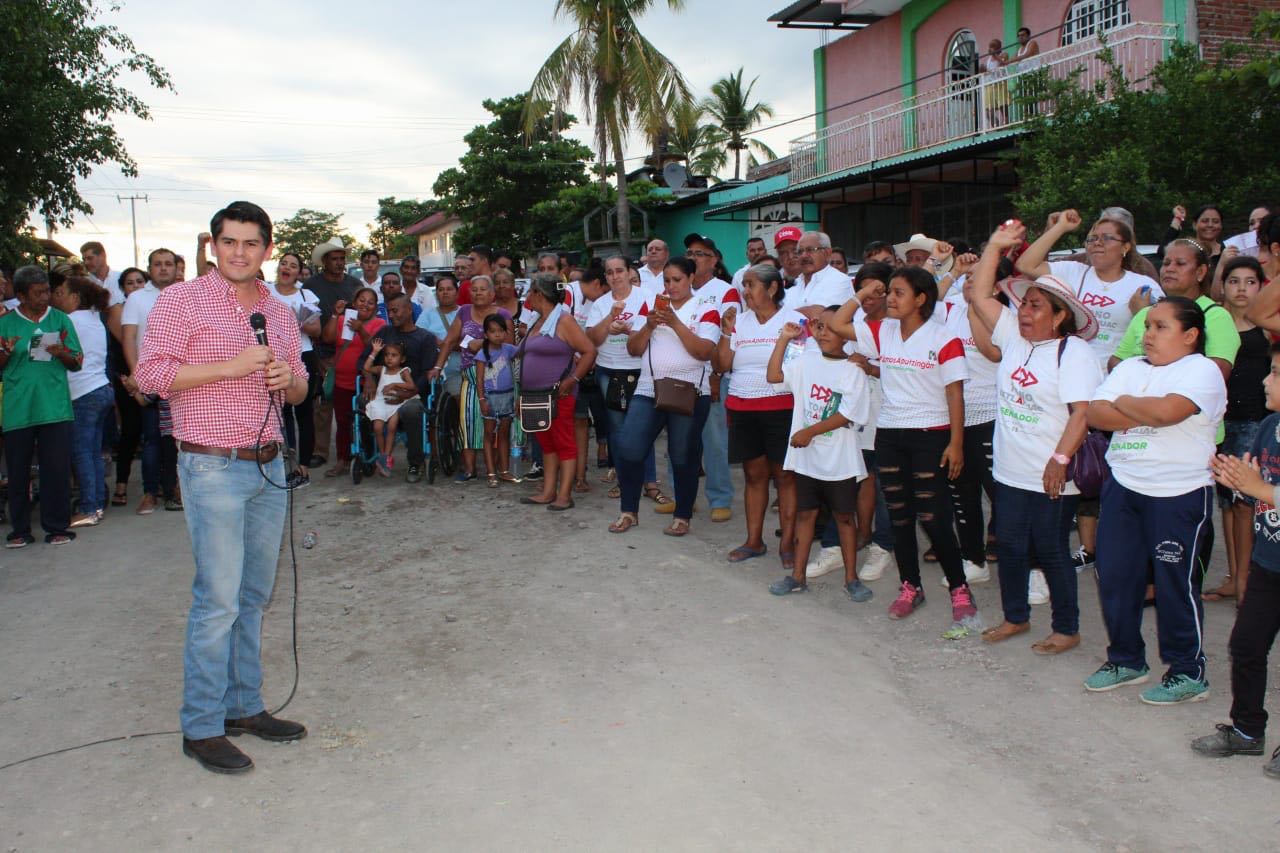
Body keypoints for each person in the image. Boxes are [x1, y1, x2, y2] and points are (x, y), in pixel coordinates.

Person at [135, 200, 309, 774]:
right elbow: (152, 376)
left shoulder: (280, 311)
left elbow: (303, 387)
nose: (240, 252)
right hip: (210, 467)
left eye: (251, 243)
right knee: (217, 602)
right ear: (213, 246)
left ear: (267, 249)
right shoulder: (181, 300)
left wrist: (289, 381)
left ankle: (244, 706)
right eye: (229, 242)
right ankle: (202, 726)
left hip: (268, 465)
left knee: (254, 597)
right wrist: (230, 367)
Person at [966, 223, 1103, 654]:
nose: (1024, 311)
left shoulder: (1075, 354)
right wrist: (993, 244)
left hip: (1052, 475)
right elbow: (979, 293)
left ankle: (1067, 627)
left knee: (1050, 550)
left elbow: (1082, 413)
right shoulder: (1011, 336)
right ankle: (1015, 617)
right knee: (1009, 545)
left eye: (1036, 306)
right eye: (1024, 303)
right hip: (1010, 470)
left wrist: (1059, 459)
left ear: (1061, 316)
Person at [1084, 297, 1226, 704]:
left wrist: (1126, 404)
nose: (1148, 335)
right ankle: (1126, 660)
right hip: (1125, 486)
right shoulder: (1130, 367)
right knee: (1114, 577)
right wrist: (1146, 411)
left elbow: (1168, 413)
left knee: (1174, 585)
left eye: (1160, 327)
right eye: (1147, 326)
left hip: (1178, 493)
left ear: (1191, 335)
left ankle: (1188, 671)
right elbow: (1095, 414)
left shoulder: (1203, 371)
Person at [1018, 208, 1166, 572]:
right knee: (1081, 469)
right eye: (1092, 238)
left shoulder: (1142, 287)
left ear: (1127, 246)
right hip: (1071, 386)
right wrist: (1060, 229)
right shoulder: (1073, 272)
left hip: (1118, 391)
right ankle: (1086, 547)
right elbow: (1027, 263)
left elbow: (1158, 337)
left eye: (1107, 238)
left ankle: (1120, 547)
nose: (1097, 244)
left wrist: (1139, 314)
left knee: (1112, 471)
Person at [840, 266, 978, 638]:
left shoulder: (944, 339)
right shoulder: (883, 330)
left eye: (899, 292)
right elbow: (837, 325)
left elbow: (955, 393)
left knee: (933, 517)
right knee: (899, 516)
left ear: (921, 299)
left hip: (930, 435)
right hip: (890, 434)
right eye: (890, 292)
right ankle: (910, 586)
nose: (890, 298)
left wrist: (956, 442)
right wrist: (863, 291)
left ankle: (960, 589)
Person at [1192, 357, 1280, 777]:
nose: (1265, 379)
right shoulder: (1268, 427)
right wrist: (1237, 482)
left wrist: (1257, 485)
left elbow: (1263, 487)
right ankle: (1247, 731)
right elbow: (1256, 494)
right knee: (1246, 645)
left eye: (1277, 373)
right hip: (1270, 562)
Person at [764, 309, 872, 601]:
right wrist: (784, 340)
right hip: (808, 460)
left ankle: (852, 578)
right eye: (819, 327)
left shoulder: (853, 369)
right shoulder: (806, 361)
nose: (823, 333)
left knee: (844, 518)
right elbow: (773, 375)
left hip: (839, 461)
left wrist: (809, 432)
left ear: (847, 333)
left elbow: (849, 413)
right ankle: (797, 576)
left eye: (831, 328)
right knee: (806, 515)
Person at [607, 257, 718, 536]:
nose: (671, 286)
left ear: (691, 278)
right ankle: (628, 511)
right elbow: (633, 349)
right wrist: (648, 326)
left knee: (682, 456)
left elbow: (704, 352)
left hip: (689, 390)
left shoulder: (706, 307)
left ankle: (682, 516)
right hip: (648, 387)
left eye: (677, 280)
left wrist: (675, 322)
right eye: (666, 280)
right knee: (629, 448)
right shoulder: (654, 306)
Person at [713, 263, 802, 567]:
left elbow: (803, 366)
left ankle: (788, 542)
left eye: (751, 285)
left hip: (782, 408)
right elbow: (723, 365)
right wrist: (726, 333)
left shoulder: (794, 321)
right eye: (744, 285)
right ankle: (754, 540)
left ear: (772, 288)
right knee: (754, 475)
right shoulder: (740, 322)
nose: (745, 291)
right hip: (742, 407)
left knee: (786, 477)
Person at [823, 263, 896, 582]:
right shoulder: (851, 328)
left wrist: (872, 369)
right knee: (846, 482)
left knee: (886, 489)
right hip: (856, 420)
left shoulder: (899, 327)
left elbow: (913, 374)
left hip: (892, 419)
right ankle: (834, 545)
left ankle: (883, 547)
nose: (869, 297)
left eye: (876, 289)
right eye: (863, 289)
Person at [0, 266, 83, 547]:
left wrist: (62, 353)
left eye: (47, 291)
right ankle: (20, 530)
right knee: (18, 471)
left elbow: (77, 362)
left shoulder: (60, 320)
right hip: (18, 407)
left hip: (54, 406)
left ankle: (57, 526)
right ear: (21, 295)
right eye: (37, 293)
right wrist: (5, 353)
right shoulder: (6, 323)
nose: (45, 297)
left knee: (56, 469)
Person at [1204, 256, 1269, 603]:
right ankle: (1232, 576)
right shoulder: (1214, 322)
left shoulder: (1267, 326)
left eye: (1250, 281)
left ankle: (1247, 583)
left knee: (1246, 505)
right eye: (1233, 281)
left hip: (1254, 422)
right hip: (1220, 420)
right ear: (1222, 286)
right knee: (1227, 504)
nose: (1241, 288)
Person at [586, 255, 665, 504]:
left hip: (642, 369)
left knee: (644, 427)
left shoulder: (646, 297)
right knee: (618, 430)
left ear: (629, 272)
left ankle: (650, 482)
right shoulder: (600, 304)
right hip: (609, 370)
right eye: (609, 272)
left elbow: (656, 332)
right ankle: (625, 480)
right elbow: (593, 339)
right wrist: (610, 319)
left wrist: (628, 330)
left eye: (619, 271)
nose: (615, 276)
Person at [516, 274, 596, 509]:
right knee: (546, 443)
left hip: (558, 393)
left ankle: (564, 495)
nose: (528, 298)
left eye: (530, 292)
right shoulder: (536, 322)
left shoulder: (563, 320)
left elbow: (589, 351)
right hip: (534, 395)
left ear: (539, 294)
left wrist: (572, 380)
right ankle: (549, 491)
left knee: (563, 442)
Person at [682, 234, 741, 522]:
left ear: (714, 260)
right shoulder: (677, 288)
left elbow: (727, 336)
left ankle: (719, 497)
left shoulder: (726, 292)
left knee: (715, 440)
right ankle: (684, 495)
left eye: (701, 253)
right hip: (679, 375)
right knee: (680, 439)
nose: (693, 257)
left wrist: (717, 374)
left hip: (711, 375)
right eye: (690, 252)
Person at [428, 275, 511, 482]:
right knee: (469, 421)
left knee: (500, 425)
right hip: (471, 376)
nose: (478, 293)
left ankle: (503, 469)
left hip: (497, 377)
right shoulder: (464, 312)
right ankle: (470, 469)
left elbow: (509, 345)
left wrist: (482, 344)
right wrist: (438, 366)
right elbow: (449, 341)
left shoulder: (502, 314)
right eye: (474, 289)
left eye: (483, 289)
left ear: (492, 293)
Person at [123, 248, 182, 514]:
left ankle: (174, 492)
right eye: (157, 264)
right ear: (150, 268)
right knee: (152, 439)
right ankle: (150, 493)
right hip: (149, 378)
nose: (163, 269)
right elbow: (128, 339)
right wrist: (137, 378)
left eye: (168, 264)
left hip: (180, 377)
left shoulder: (184, 295)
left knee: (176, 439)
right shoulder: (136, 298)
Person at [52, 275, 114, 527]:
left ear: (75, 297)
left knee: (82, 454)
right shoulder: (94, 318)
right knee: (94, 453)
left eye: (62, 293)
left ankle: (89, 508)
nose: (57, 298)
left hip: (83, 394)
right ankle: (97, 503)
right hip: (101, 389)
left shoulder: (70, 320)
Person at [361, 293, 439, 483]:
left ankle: (415, 463)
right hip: (384, 392)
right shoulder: (384, 333)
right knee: (362, 402)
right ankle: (371, 455)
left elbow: (427, 374)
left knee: (411, 410)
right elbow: (364, 360)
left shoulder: (425, 338)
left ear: (409, 309)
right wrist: (369, 378)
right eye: (389, 311)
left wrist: (407, 394)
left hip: (413, 394)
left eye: (395, 311)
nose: (391, 315)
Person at [304, 238, 360, 468]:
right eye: (334, 259)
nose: (338, 263)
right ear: (325, 261)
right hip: (322, 349)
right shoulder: (311, 286)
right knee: (323, 402)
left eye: (341, 259)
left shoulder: (355, 284)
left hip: (350, 349)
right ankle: (320, 451)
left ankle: (354, 447)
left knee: (351, 403)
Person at [269, 252, 321, 487]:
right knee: (278, 412)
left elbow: (316, 330)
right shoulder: (265, 291)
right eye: (283, 263)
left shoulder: (305, 295)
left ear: (299, 272)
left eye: (293, 265)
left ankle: (303, 469)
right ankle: (282, 466)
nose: (287, 268)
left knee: (303, 412)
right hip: (272, 357)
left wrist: (293, 319)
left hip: (302, 354)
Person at [320, 287, 383, 477]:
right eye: (361, 300)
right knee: (342, 421)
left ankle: (369, 458)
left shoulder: (379, 323)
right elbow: (327, 338)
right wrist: (335, 315)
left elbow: (376, 347)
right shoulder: (342, 320)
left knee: (367, 420)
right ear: (354, 303)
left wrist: (360, 329)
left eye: (370, 302)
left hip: (366, 381)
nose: (365, 305)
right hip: (342, 381)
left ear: (375, 308)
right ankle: (343, 460)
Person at [568, 265, 611, 491]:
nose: (605, 296)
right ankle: (570, 474)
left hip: (589, 367)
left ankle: (580, 476)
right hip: (566, 368)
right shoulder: (568, 293)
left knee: (582, 421)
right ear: (597, 283)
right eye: (604, 290)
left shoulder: (600, 302)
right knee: (572, 422)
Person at [110, 267, 149, 507]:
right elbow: (126, 343)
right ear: (123, 288)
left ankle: (156, 488)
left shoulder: (154, 306)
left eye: (139, 281)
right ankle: (121, 484)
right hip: (127, 378)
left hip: (155, 377)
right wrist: (132, 378)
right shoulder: (118, 312)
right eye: (129, 283)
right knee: (131, 432)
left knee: (156, 435)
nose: (135, 286)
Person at [474, 314, 519, 487]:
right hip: (490, 398)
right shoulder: (481, 354)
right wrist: (482, 399)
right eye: (493, 331)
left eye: (501, 331)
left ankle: (504, 470)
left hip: (507, 396)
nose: (497, 335)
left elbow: (523, 353)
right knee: (488, 435)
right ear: (486, 334)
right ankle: (491, 472)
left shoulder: (509, 349)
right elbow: (479, 380)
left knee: (504, 434)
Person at [362, 339, 413, 476]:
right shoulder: (382, 369)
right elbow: (366, 368)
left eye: (394, 355)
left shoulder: (403, 371)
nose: (389, 358)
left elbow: (412, 386)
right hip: (380, 402)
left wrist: (395, 386)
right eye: (387, 355)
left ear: (402, 359)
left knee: (391, 428)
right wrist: (374, 352)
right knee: (377, 428)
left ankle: (386, 458)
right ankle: (383, 455)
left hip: (396, 403)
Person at [417, 272, 462, 396]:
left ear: (457, 293)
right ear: (436, 294)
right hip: (433, 367)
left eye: (449, 289)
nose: (445, 292)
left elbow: (469, 341)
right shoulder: (427, 314)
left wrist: (445, 344)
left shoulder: (465, 313)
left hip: (460, 369)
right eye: (441, 289)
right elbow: (419, 336)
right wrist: (437, 341)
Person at [1161, 204, 1224, 280]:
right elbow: (1162, 251)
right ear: (1194, 225)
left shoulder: (1226, 252)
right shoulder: (1185, 248)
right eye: (1205, 221)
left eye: (1215, 221)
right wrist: (1178, 218)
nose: (1210, 225)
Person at [983, 37, 1010, 126]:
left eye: (993, 46)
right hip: (989, 84)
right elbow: (987, 71)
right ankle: (996, 125)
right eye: (990, 46)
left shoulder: (1004, 54)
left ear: (999, 47)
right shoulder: (988, 60)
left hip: (1000, 83)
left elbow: (1003, 62)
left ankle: (1006, 122)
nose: (991, 48)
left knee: (1002, 104)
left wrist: (994, 55)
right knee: (988, 109)